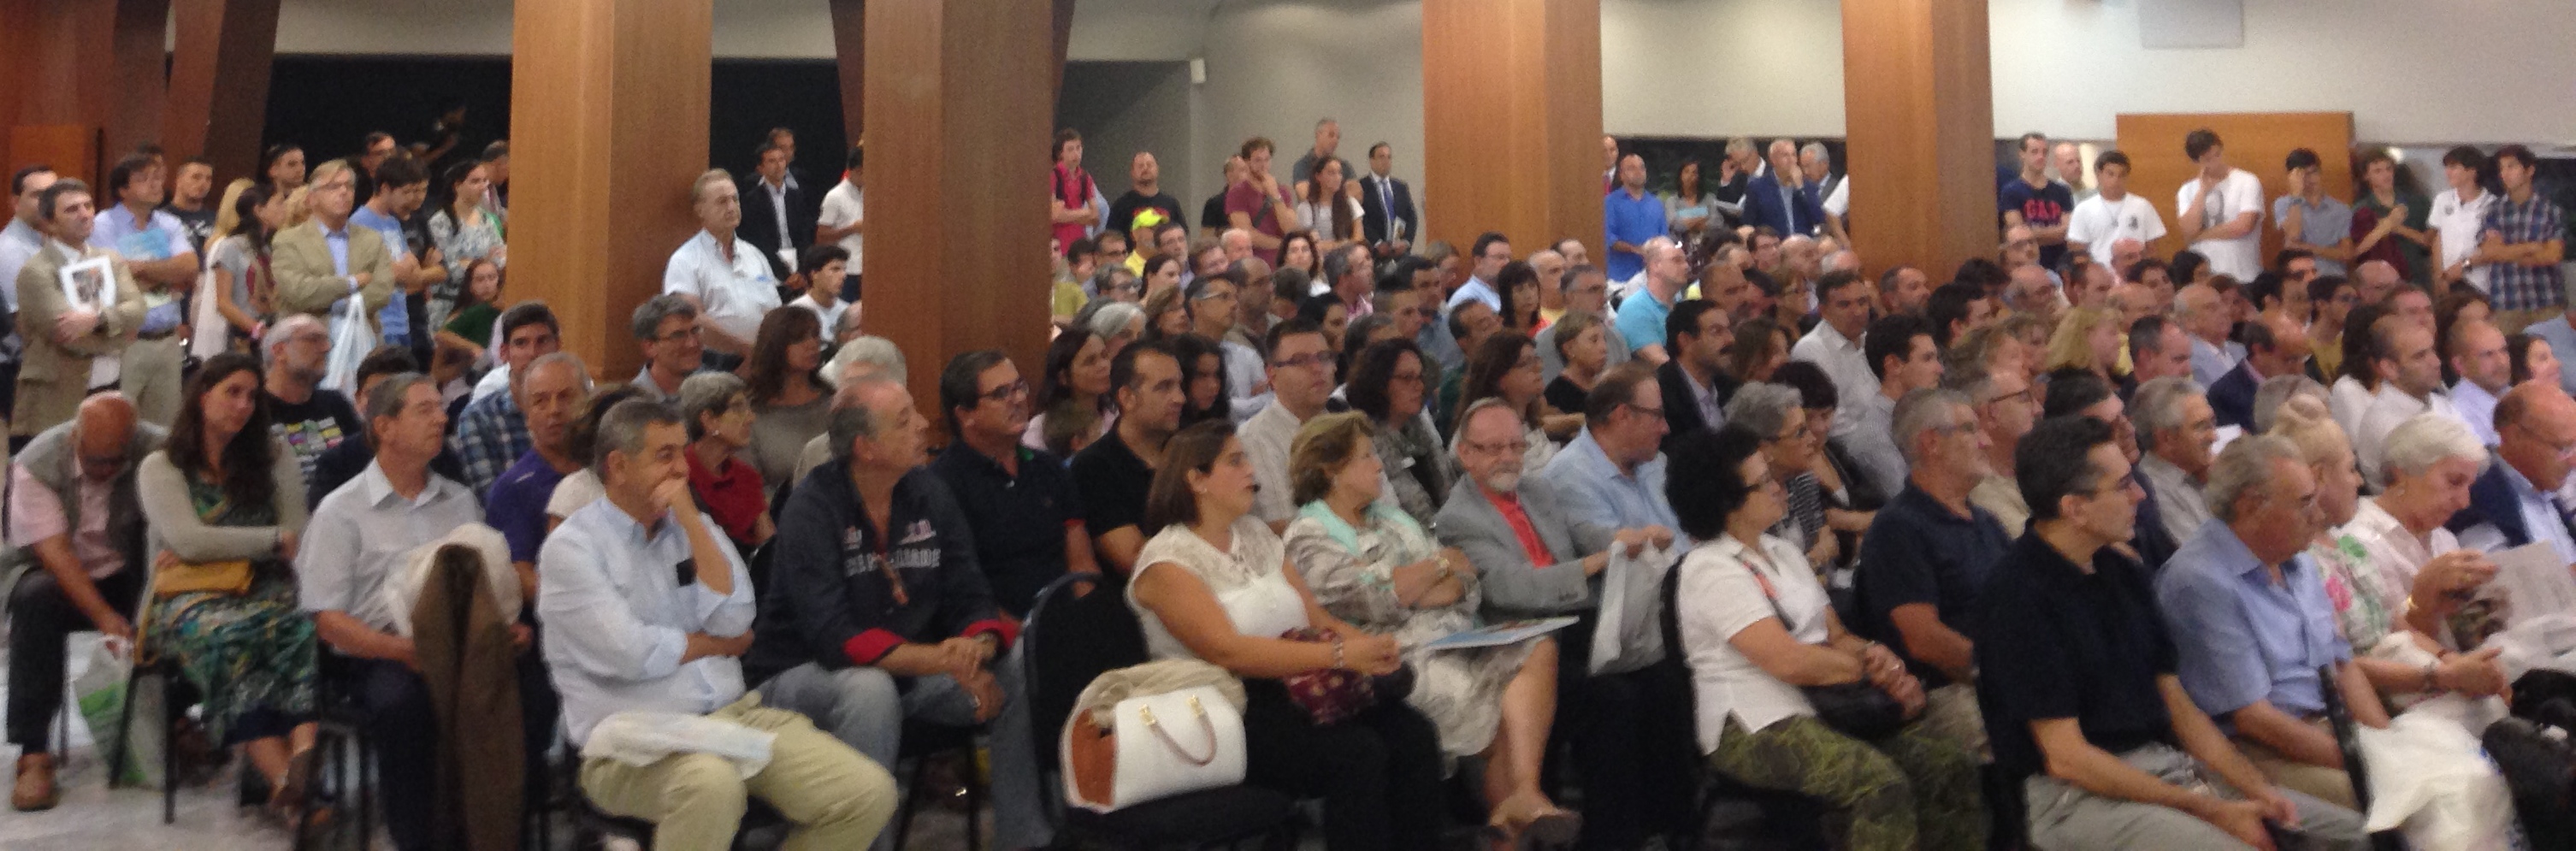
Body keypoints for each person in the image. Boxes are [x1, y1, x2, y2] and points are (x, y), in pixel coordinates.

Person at [1976, 417, 2371, 849]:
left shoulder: (2121, 571)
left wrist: (2259, 791)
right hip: (2078, 798)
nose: (2140, 495)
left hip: (2166, 768)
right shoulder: (2017, 598)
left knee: (2360, 835)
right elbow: (2067, 758)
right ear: (2075, 508)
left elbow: (2180, 707)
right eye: (2122, 485)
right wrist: (2209, 809)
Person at [541, 398, 898, 849]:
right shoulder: (573, 548)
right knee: (711, 785)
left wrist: (690, 520)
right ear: (619, 466)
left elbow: (736, 620)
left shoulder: (695, 527)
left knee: (867, 794)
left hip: (733, 717)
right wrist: (713, 646)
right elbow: (629, 653)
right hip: (629, 744)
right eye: (665, 456)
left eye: (682, 452)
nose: (682, 469)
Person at [744, 375, 1043, 850]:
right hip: (803, 676)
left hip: (911, 670)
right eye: (904, 420)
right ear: (866, 447)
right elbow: (833, 637)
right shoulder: (813, 508)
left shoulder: (929, 492)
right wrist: (941, 659)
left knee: (1021, 661)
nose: (923, 424)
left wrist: (978, 648)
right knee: (869, 689)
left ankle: (1024, 839)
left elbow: (969, 590)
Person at [1125, 420, 1446, 851]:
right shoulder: (1166, 561)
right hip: (1227, 708)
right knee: (1357, 753)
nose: (1251, 470)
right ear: (1196, 480)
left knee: (1413, 734)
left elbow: (1316, 617)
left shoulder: (1255, 535)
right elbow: (1229, 651)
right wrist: (1339, 657)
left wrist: (1369, 648)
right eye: (1235, 461)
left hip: (1299, 685)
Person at [1670, 423, 1983, 851]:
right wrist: (1868, 670)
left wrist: (1877, 656)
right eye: (1764, 482)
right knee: (1878, 785)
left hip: (1824, 705)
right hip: (1754, 722)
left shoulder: (1782, 551)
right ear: (1728, 503)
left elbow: (1835, 633)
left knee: (1946, 762)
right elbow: (1788, 661)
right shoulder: (1709, 568)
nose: (1779, 488)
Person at [1279, 411, 1577, 845]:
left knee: (1538, 646)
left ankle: (1525, 794)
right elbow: (1371, 599)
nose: (1379, 466)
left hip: (1456, 635)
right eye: (1366, 457)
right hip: (1394, 658)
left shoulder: (1391, 518)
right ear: (1331, 470)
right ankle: (1517, 815)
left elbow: (1466, 580)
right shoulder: (1309, 534)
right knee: (1504, 720)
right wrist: (1433, 571)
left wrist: (1415, 585)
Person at [301, 371, 557, 851]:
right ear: (385, 427)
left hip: (465, 644)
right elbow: (327, 619)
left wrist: (509, 627)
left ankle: (502, 831)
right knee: (407, 707)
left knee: (532, 692)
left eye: (441, 408)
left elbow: (489, 578)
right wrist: (401, 649)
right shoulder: (341, 511)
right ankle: (423, 840)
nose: (442, 419)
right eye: (425, 410)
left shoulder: (458, 500)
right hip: (380, 651)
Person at [2274, 400, 2514, 725]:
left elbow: (2395, 625)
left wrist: (2456, 662)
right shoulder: (2346, 544)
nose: (2359, 481)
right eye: (2454, 482)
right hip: (2384, 694)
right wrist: (2443, 667)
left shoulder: (2356, 548)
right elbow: (2345, 664)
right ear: (2403, 475)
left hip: (2418, 669)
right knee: (2491, 712)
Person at [4, 395, 162, 811]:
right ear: (75, 437)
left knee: (172, 597)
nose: (106, 470)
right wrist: (105, 617)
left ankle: (174, 723)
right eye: (96, 461)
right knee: (34, 600)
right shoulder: (37, 463)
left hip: (127, 570)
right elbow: (55, 554)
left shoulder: (156, 449)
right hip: (56, 573)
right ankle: (33, 753)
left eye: (116, 461)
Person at [1848, 387, 2009, 757]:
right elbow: (1923, 639)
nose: (1985, 441)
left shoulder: (1985, 521)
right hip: (1951, 692)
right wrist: (2005, 672)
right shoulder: (1898, 528)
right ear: (1931, 443)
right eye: (1971, 429)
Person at [931, 351, 1099, 619]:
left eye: (1019, 387)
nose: (1019, 399)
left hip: (1067, 618)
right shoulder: (942, 485)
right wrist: (1025, 635)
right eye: (1001, 394)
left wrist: (1089, 616)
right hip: (995, 629)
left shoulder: (1049, 468)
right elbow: (962, 589)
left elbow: (1081, 565)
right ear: (965, 414)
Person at [13, 180, 147, 442]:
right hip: (55, 395)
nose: (85, 214)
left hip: (108, 385)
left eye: (88, 205)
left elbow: (139, 310)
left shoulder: (110, 259)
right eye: (72, 209)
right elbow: (69, 337)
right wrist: (120, 335)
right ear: (50, 223)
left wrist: (98, 319)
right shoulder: (37, 271)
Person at [1072, 340, 1186, 573]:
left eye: (1179, 385)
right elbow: (1135, 559)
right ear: (1127, 397)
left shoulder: (1188, 452)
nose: (1180, 398)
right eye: (1164, 387)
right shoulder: (1094, 466)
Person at [482, 352, 588, 594]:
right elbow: (521, 576)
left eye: (566, 397)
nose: (554, 410)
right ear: (527, 415)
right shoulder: (514, 488)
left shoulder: (606, 470)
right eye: (541, 401)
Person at [663, 169, 782, 365]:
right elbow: (692, 319)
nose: (731, 207)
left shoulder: (755, 255)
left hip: (762, 361)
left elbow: (774, 312)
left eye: (735, 199)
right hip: (713, 364)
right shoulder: (685, 260)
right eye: (722, 201)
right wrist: (746, 351)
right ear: (700, 210)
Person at [2451, 383, 2576, 562]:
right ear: (2516, 436)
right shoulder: (2478, 499)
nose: (2573, 461)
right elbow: (2496, 573)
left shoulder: (2546, 487)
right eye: (2564, 448)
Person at [450, 303, 560, 498]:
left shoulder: (579, 409)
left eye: (542, 341)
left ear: (558, 346)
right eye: (521, 343)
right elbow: (491, 499)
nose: (533, 353)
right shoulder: (479, 418)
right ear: (504, 352)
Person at [269, 161, 396, 325]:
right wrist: (351, 282)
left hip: (362, 332)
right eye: (333, 187)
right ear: (312, 199)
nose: (344, 192)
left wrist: (342, 307)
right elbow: (299, 291)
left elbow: (383, 290)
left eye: (349, 186)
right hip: (309, 334)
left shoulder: (372, 239)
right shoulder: (288, 240)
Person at [1345, 339, 1450, 527]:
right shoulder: (1363, 440)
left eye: (1420, 377)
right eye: (1407, 378)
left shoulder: (1419, 427)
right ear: (1379, 383)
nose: (1419, 386)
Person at [1842, 314, 1945, 500]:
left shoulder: (1931, 416)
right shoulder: (1875, 436)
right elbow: (1912, 501)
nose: (1940, 369)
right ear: (1894, 365)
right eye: (1927, 359)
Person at [2351, 317, 2461, 485]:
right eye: (2420, 356)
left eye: (2433, 351)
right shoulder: (2387, 425)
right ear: (2390, 368)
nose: (2436, 362)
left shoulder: (2438, 401)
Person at [676, 372, 771, 557]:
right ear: (709, 420)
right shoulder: (678, 476)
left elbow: (770, 550)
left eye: (748, 407)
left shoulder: (746, 476)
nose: (751, 418)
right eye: (737, 408)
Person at [2474, 145, 2567, 332]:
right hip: (2506, 303)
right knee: (2505, 350)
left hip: (2546, 301)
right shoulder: (2492, 211)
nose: (2505, 174)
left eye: (2511, 166)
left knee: (2554, 348)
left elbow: (2552, 255)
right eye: (2502, 168)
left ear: (2529, 170)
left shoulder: (2550, 211)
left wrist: (2506, 252)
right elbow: (2489, 253)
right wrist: (2532, 247)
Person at [739, 308, 832, 489]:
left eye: (815, 335)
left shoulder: (834, 401)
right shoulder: (751, 412)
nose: (812, 344)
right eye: (799, 339)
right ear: (776, 345)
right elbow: (750, 486)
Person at [1950, 360, 2039, 538]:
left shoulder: (2035, 464)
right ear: (1991, 413)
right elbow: (2030, 543)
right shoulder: (1978, 489)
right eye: (2024, 398)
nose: (2038, 409)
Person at [1792, 270, 1880, 440]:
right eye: (1845, 305)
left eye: (1862, 302)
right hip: (1851, 444)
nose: (1857, 312)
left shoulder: (1868, 339)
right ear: (1823, 311)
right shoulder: (1812, 349)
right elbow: (1834, 424)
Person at [1456, 332, 1565, 466]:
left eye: (1536, 359)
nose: (1539, 367)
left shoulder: (1526, 416)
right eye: (1526, 363)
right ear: (1499, 379)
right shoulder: (1483, 431)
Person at [424, 159, 506, 335]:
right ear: (458, 186)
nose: (483, 187)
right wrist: (486, 260)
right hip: (448, 306)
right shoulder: (441, 222)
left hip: (482, 306)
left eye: (485, 181)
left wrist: (471, 262)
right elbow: (453, 270)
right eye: (475, 181)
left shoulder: (486, 219)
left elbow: (501, 258)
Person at [2172, 129, 2266, 281]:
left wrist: (2200, 235)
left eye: (2217, 155)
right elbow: (2188, 231)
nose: (2215, 162)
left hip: (2243, 274)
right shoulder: (2187, 190)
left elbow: (2243, 226)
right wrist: (2202, 191)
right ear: (2197, 161)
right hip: (2204, 277)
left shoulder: (2247, 181)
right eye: (2207, 159)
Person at [1655, 299, 1737, 449]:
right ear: (1685, 340)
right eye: (1716, 332)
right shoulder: (1660, 395)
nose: (1730, 339)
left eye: (1729, 329)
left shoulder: (1731, 387)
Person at [2065, 150, 2165, 268]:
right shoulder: (2083, 209)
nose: (2116, 180)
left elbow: (2152, 249)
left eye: (2121, 175)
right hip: (2101, 274)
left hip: (2136, 272)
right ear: (2099, 175)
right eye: (2110, 174)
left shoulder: (2143, 206)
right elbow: (2078, 253)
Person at [1025, 329, 1114, 456]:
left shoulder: (1116, 415)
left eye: (1104, 356)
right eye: (1090, 361)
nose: (1103, 365)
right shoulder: (1040, 429)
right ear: (1064, 378)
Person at [1536, 264, 1629, 385]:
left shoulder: (1615, 337)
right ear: (1569, 297)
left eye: (1604, 290)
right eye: (1594, 290)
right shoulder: (1546, 341)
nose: (1604, 298)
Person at [2349, 150, 2431, 282]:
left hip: (2416, 275)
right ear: (2366, 176)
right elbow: (2355, 251)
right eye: (2378, 171)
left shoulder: (2417, 203)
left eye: (2389, 169)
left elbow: (2429, 242)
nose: (2386, 175)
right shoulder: (2360, 210)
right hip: (2379, 279)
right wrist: (2385, 227)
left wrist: (2397, 228)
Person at [736, 142, 814, 281]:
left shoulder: (797, 196)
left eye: (781, 160)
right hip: (769, 263)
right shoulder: (751, 200)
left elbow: (805, 234)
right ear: (760, 168)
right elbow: (758, 240)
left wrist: (801, 270)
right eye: (772, 161)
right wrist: (784, 274)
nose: (778, 166)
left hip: (797, 262)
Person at [2272, 148, 2354, 276]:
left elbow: (2346, 254)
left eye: (2313, 172)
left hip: (2333, 276)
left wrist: (2304, 247)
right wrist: (2296, 195)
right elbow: (2293, 235)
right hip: (2300, 278)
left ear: (2320, 172)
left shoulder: (2340, 209)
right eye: (2303, 175)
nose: (2310, 179)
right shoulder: (2283, 203)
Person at [2000, 133, 2075, 272]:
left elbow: (2066, 232)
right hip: (2027, 266)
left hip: (2059, 265)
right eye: (2034, 152)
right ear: (2022, 154)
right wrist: (2053, 233)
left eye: (2044, 152)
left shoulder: (2062, 191)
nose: (2040, 157)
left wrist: (2033, 234)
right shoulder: (2011, 191)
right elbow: (2019, 236)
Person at [2425, 145, 2492, 298]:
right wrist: (2439, 276)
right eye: (2447, 168)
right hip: (2447, 278)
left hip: (2479, 282)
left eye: (2454, 167)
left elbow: (2490, 246)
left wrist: (2464, 265)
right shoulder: (2443, 199)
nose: (2448, 173)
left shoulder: (2491, 204)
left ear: (2472, 171)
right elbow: (2438, 238)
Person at [1615, 240, 1692, 365]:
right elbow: (1659, 362)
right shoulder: (1635, 309)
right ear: (1655, 266)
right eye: (1677, 260)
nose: (1686, 266)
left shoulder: (1679, 303)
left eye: (1685, 260)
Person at [1226, 138, 1300, 264]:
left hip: (1283, 261)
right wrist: (1283, 244)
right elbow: (1247, 234)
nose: (1263, 165)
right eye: (1257, 160)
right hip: (1255, 260)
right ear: (1246, 162)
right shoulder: (1237, 193)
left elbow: (1290, 229)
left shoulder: (1282, 191)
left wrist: (1275, 195)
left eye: (1267, 160)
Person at [1604, 154, 1667, 284]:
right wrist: (1637, 250)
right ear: (1621, 175)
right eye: (1632, 168)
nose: (1638, 172)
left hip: (1653, 277)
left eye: (1642, 168)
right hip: (1620, 278)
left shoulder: (1656, 204)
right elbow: (1609, 238)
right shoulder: (1610, 202)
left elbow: (1664, 238)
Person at [627, 294, 702, 402]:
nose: (693, 343)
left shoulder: (711, 395)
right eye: (678, 336)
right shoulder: (632, 403)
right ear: (650, 347)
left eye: (695, 331)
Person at [1744, 139, 1825, 239]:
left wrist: (1800, 188)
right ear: (1773, 160)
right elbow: (1749, 224)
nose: (1791, 160)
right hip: (1774, 243)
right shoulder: (1757, 187)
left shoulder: (1808, 186)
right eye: (1785, 156)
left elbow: (1818, 218)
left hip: (1803, 242)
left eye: (1794, 155)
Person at [1543, 310, 1610, 416]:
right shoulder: (1557, 395)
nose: (1604, 348)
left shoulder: (1606, 388)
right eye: (1594, 340)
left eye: (1604, 340)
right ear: (1569, 349)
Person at [1357, 142, 1416, 258]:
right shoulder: (1362, 187)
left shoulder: (1400, 187)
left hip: (1399, 250)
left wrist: (1406, 242)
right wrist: (1377, 243)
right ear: (1372, 161)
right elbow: (1361, 219)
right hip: (1373, 252)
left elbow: (1411, 216)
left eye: (1389, 157)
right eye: (1381, 157)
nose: (1386, 161)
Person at [2041, 307, 2126, 387]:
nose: (2119, 341)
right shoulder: (2064, 386)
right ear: (2087, 335)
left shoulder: (2123, 382)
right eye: (2112, 333)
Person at [1297, 159, 1364, 253]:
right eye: (1331, 173)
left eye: (1340, 173)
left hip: (1348, 256)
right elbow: (1314, 244)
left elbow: (1359, 238)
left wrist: (1334, 245)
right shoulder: (1307, 208)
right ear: (1318, 176)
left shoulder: (1351, 203)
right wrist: (1343, 244)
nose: (1337, 178)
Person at [1666, 158, 1718, 239]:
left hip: (1706, 241)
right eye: (1686, 172)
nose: (1690, 176)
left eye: (1694, 172)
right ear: (1680, 175)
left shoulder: (1709, 199)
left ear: (1699, 176)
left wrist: (1687, 222)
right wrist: (1701, 220)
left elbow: (1716, 222)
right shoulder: (1672, 201)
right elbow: (1674, 224)